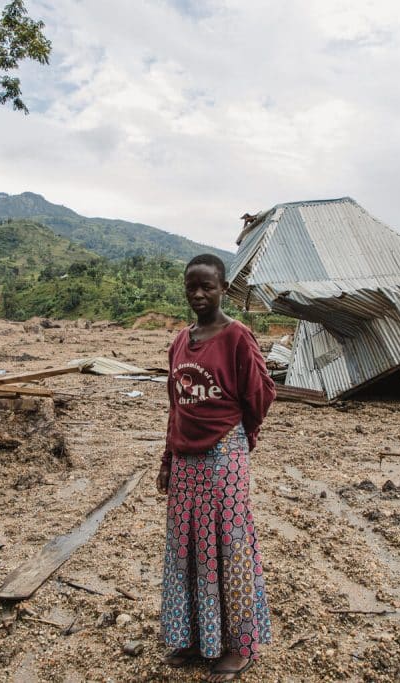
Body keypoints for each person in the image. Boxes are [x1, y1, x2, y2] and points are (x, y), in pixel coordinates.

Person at [157, 253, 276, 682]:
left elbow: (260, 394)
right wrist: (167, 459)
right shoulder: (179, 341)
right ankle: (193, 636)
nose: (199, 294)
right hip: (186, 460)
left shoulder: (237, 337)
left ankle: (238, 646)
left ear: (223, 288)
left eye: (207, 286)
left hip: (224, 455)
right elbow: (176, 407)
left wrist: (244, 437)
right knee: (187, 546)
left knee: (227, 545)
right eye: (192, 286)